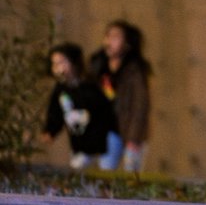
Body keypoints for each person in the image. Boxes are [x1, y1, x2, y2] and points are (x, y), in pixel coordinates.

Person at [41, 42, 117, 170]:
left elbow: (107, 105)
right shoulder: (61, 89)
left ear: (74, 62)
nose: (58, 67)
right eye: (54, 64)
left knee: (105, 173)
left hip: (104, 141)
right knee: (78, 171)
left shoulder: (91, 84)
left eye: (62, 62)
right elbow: (55, 112)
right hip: (80, 144)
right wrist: (50, 130)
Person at [88, 20, 150, 172]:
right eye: (108, 36)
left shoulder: (135, 70)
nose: (109, 41)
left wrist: (134, 138)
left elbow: (140, 105)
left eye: (116, 37)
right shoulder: (98, 66)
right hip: (106, 130)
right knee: (106, 171)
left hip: (128, 130)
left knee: (132, 174)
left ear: (127, 43)